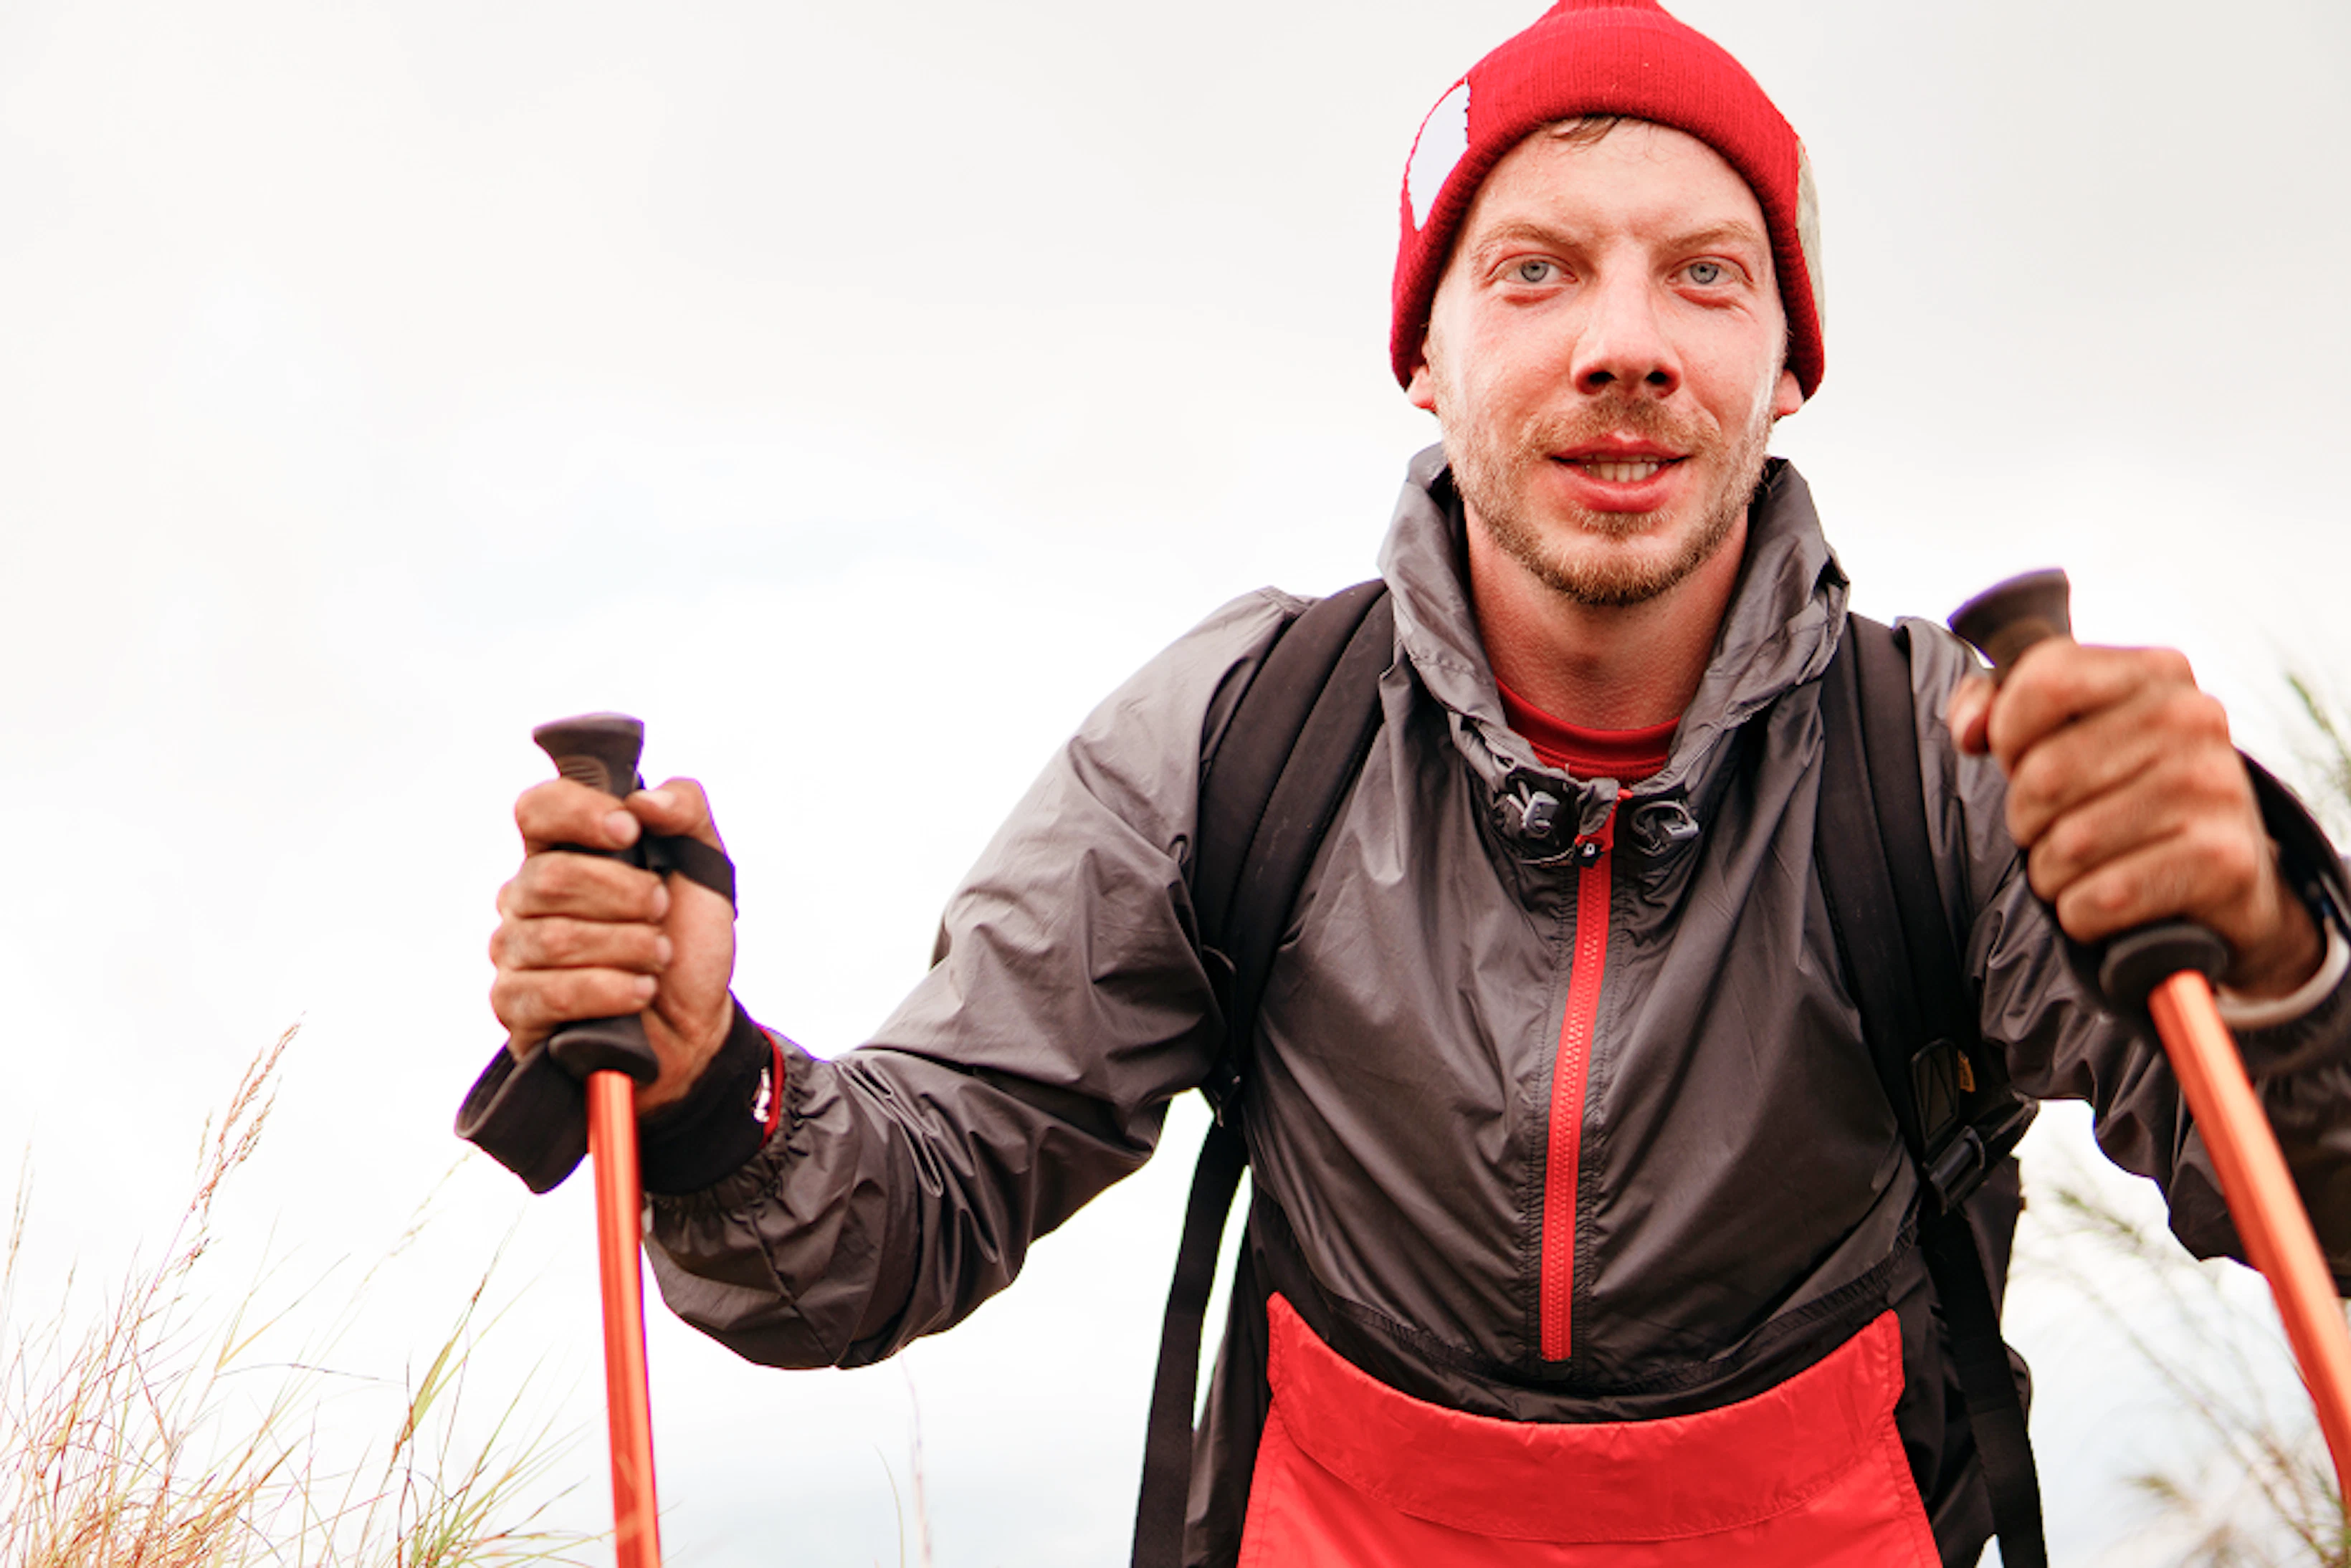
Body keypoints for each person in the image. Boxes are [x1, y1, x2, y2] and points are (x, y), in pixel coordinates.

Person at [457, 1, 2351, 1562]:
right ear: (1428, 358)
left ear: (1788, 368)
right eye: (1536, 273)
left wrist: (2271, 949)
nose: (1626, 344)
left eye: (1706, 275)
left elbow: (2309, 1209)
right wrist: (709, 1088)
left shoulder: (1961, 766)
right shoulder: (1237, 744)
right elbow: (886, 1226)